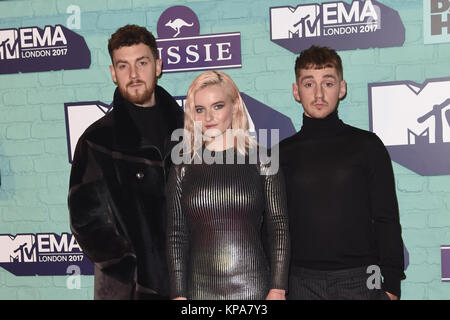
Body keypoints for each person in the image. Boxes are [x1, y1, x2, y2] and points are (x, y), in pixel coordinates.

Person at [279, 45, 406, 300]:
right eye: (308, 84)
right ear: (296, 91)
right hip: (300, 281)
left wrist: (392, 284)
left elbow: (387, 218)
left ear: (342, 88)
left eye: (327, 83)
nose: (318, 93)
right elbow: (273, 228)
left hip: (363, 277)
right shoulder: (280, 153)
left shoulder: (368, 145)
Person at [68, 25, 184, 299]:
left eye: (142, 63)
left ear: (158, 65)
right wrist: (129, 268)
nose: (133, 75)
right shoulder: (97, 141)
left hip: (190, 286)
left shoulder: (191, 132)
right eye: (123, 66)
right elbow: (86, 221)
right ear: (113, 73)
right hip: (129, 291)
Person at [166, 70, 290, 300]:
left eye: (218, 106)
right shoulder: (182, 167)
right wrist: (178, 294)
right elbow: (176, 235)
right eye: (200, 109)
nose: (209, 117)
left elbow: (278, 227)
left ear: (235, 107)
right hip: (198, 292)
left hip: (253, 289)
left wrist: (278, 288)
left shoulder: (262, 159)